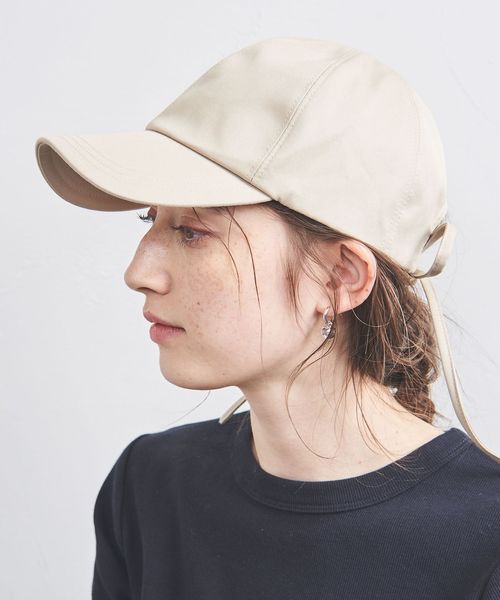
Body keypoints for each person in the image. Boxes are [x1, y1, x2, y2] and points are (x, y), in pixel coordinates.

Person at [35, 37, 500, 599]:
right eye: (149, 220)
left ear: (340, 277)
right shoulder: (149, 488)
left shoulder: (485, 539)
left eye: (192, 232)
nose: (139, 272)